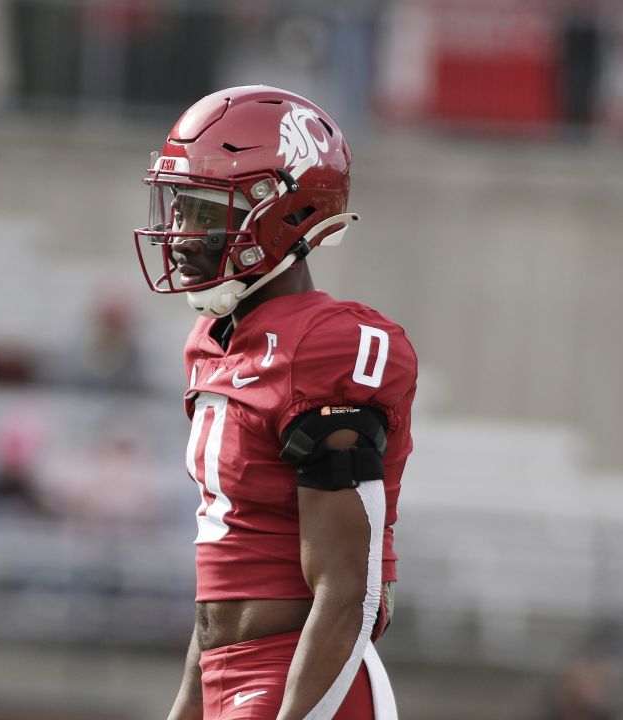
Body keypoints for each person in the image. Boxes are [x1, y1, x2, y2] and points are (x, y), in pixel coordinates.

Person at [133, 86, 418, 720]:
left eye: (206, 211)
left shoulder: (326, 350)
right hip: (224, 677)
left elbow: (350, 590)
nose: (180, 234)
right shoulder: (213, 343)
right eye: (180, 207)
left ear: (281, 214)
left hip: (296, 675)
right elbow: (222, 583)